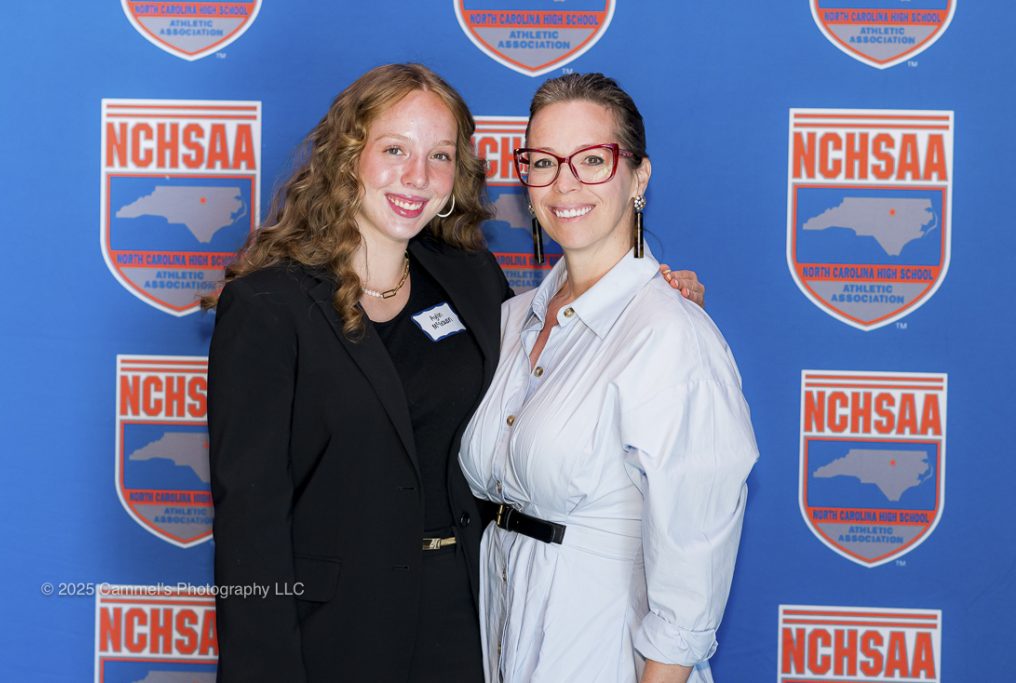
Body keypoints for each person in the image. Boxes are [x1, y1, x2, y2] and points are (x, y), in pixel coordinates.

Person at [205, 64, 704, 682]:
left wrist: (650, 301)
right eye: (395, 149)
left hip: (470, 626)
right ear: (348, 158)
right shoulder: (267, 306)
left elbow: (561, 353)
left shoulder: (471, 282)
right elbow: (250, 527)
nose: (417, 175)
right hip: (333, 637)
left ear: (455, 177)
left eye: (439, 155)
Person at [459, 73, 759, 683]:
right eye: (544, 161)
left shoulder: (672, 336)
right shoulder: (511, 320)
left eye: (592, 159)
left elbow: (691, 583)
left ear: (638, 178)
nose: (565, 182)